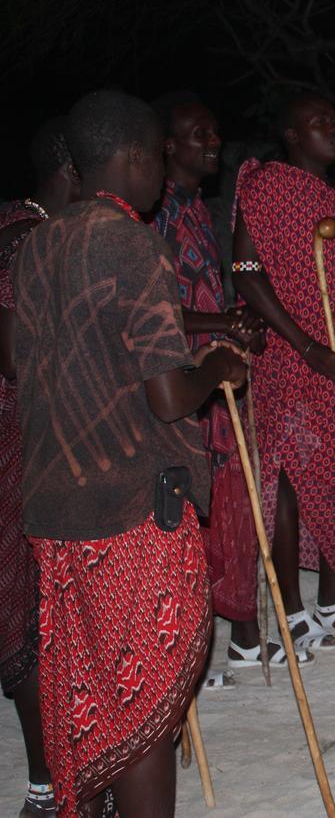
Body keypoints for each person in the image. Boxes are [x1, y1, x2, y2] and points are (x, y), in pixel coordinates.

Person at [13, 89, 247, 816]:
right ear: (139, 159)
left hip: (54, 508)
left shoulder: (33, 247)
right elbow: (168, 397)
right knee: (146, 708)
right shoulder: (133, 241)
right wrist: (218, 364)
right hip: (130, 510)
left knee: (97, 688)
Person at [233, 93, 335, 650]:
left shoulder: (330, 197)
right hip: (295, 358)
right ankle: (294, 610)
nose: (333, 130)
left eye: (334, 121)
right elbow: (246, 272)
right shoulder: (270, 186)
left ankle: (332, 602)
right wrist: (304, 344)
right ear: (293, 136)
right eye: (318, 123)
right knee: (296, 475)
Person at [150, 92, 283, 683]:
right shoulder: (150, 220)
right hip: (177, 381)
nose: (214, 141)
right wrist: (221, 323)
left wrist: (236, 320)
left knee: (234, 503)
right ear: (167, 146)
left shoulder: (198, 208)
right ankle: (197, 655)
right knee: (198, 512)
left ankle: (245, 637)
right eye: (199, 132)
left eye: (215, 130)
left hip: (217, 374)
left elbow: (205, 295)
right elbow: (153, 314)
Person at [1, 117, 78, 818]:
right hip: (17, 449)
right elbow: (14, 355)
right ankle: (49, 782)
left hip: (29, 444)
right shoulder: (28, 239)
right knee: (25, 623)